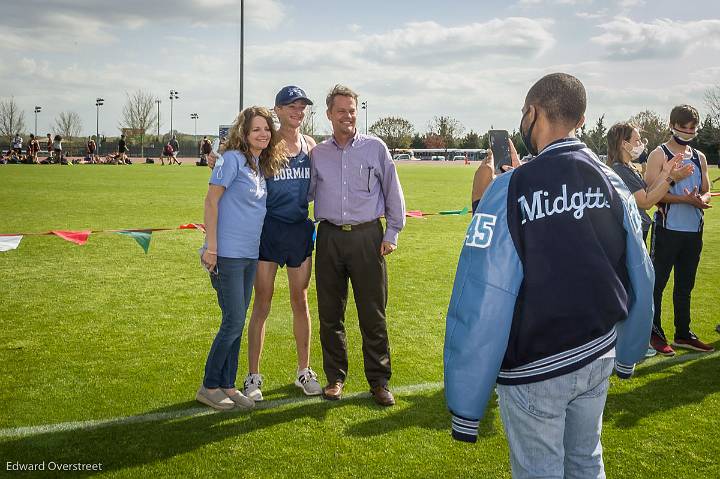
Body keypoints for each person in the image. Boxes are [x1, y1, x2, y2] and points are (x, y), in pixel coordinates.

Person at [444, 73, 653, 478]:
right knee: (586, 460)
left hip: (536, 364)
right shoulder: (612, 181)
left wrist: (466, 403)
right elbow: (640, 268)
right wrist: (629, 351)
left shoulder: (509, 188)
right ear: (581, 117)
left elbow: (482, 294)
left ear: (532, 113)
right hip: (598, 350)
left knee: (540, 469)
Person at [309, 84, 406, 406]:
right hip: (330, 237)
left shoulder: (375, 147)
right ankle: (335, 378)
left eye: (352, 110)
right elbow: (304, 193)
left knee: (373, 314)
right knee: (330, 314)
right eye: (342, 111)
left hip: (368, 237)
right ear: (329, 115)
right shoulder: (318, 154)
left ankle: (379, 381)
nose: (348, 116)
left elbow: (393, 191)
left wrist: (392, 233)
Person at [196, 106, 286, 411]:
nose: (263, 134)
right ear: (244, 133)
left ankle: (228, 384)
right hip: (227, 254)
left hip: (249, 254)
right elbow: (211, 201)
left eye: (266, 129)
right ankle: (209, 385)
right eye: (256, 129)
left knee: (235, 320)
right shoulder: (232, 159)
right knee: (233, 322)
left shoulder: (258, 165)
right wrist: (211, 247)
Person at [240, 86, 321, 400]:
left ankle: (304, 371)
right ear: (277, 110)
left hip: (299, 230)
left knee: (300, 301)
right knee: (262, 303)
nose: (298, 111)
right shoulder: (267, 142)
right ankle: (253, 377)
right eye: (291, 106)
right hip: (268, 231)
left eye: (302, 107)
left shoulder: (310, 144)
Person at [607, 122, 694, 359]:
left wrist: (667, 173)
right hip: (626, 239)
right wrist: (670, 179)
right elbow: (645, 201)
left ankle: (632, 342)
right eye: (636, 140)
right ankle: (628, 344)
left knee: (634, 291)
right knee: (631, 292)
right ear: (623, 144)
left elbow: (650, 192)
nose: (641, 144)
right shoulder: (620, 169)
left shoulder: (629, 167)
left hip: (635, 235)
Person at [645, 105, 714, 355]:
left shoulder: (699, 156)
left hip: (693, 232)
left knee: (685, 286)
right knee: (657, 285)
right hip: (667, 230)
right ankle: (654, 333)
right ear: (672, 125)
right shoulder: (658, 154)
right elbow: (651, 195)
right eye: (683, 127)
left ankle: (683, 334)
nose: (687, 132)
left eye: (692, 128)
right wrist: (684, 198)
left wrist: (701, 199)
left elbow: (706, 191)